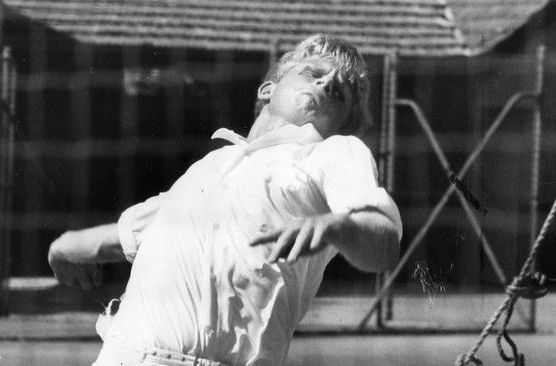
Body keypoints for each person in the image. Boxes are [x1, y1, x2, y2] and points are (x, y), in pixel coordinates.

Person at [48, 34, 402, 366]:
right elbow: (129, 235)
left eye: (339, 93)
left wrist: (338, 226)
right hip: (122, 356)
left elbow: (382, 245)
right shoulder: (209, 167)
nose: (326, 84)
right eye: (314, 73)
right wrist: (63, 247)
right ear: (268, 89)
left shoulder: (334, 153)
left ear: (342, 124)